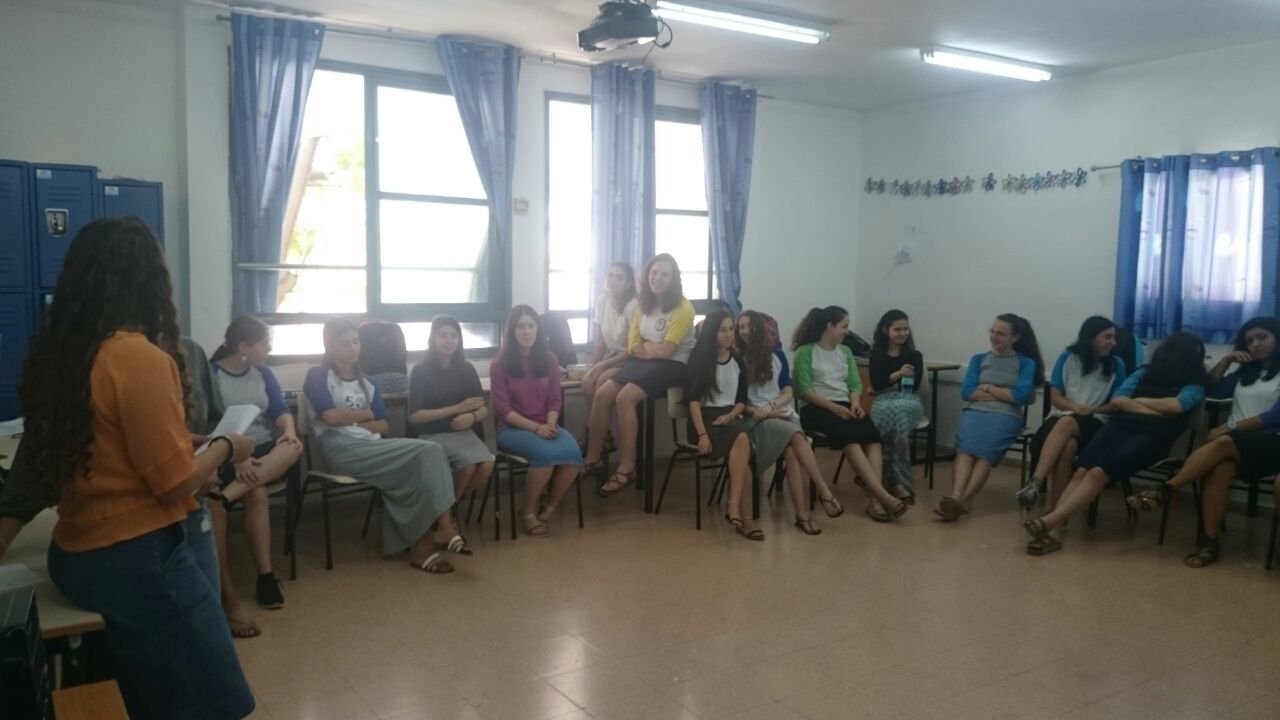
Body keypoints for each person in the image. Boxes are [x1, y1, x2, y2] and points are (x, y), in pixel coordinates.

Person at [19, 217, 257, 719]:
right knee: (215, 701)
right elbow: (173, 484)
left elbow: (107, 446)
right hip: (138, 559)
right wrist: (224, 446)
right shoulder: (138, 357)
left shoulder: (68, 355)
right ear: (148, 280)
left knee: (149, 692)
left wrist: (182, 443)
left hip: (77, 551)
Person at [303, 318, 469, 573]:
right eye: (345, 343)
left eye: (356, 342)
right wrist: (364, 415)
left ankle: (426, 543)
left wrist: (351, 420)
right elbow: (330, 417)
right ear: (330, 346)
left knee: (426, 460)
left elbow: (383, 425)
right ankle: (441, 531)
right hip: (341, 449)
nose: (353, 348)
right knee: (426, 454)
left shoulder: (368, 382)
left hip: (372, 446)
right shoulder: (318, 375)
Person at [1024, 331, 1206, 555]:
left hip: (1154, 436)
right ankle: (1053, 528)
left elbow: (1176, 406)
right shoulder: (1144, 372)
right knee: (1081, 471)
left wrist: (1137, 402)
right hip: (1121, 426)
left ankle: (1050, 523)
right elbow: (1119, 400)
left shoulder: (1195, 384)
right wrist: (1152, 409)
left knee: (1097, 473)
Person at [1133, 317, 1280, 567]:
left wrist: (1229, 428)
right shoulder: (1247, 373)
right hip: (1239, 445)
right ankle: (1209, 543)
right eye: (1249, 341)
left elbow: (1275, 417)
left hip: (1272, 443)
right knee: (1218, 470)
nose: (1255, 344)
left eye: (1262, 337)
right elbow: (1212, 389)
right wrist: (1227, 360)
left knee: (1222, 442)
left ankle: (1166, 489)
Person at [208, 316, 302, 634]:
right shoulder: (212, 375)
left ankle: (226, 496)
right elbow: (207, 426)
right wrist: (237, 457)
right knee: (256, 493)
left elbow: (280, 410)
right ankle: (263, 578)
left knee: (293, 447)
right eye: (264, 343)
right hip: (225, 453)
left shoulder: (263, 373)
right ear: (244, 347)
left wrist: (288, 431)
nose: (269, 349)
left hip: (261, 451)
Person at [583, 254, 696, 495]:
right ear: (647, 276)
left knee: (624, 398)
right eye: (654, 273)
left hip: (674, 366)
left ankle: (627, 467)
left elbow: (667, 352)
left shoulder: (684, 307)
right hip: (645, 362)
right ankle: (593, 458)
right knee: (602, 394)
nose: (657, 278)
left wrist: (648, 348)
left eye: (664, 274)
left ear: (674, 278)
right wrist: (650, 348)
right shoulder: (643, 304)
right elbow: (633, 345)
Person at [792, 306, 908, 522]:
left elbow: (855, 384)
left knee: (873, 438)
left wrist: (855, 403)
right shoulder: (805, 352)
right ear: (829, 326)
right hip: (816, 408)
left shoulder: (845, 352)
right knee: (850, 438)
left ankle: (875, 501)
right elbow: (805, 390)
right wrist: (835, 408)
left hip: (844, 404)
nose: (847, 331)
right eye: (844, 326)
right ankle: (883, 496)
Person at [737, 310, 841, 534]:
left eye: (748, 325)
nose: (744, 330)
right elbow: (740, 404)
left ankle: (802, 516)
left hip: (780, 412)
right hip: (756, 419)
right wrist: (769, 413)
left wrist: (773, 407)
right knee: (794, 434)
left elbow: (788, 390)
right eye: (741, 327)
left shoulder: (777, 355)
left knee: (792, 452)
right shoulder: (738, 359)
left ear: (759, 328)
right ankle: (824, 492)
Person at [938, 314, 1044, 521]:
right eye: (992, 332)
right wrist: (1005, 393)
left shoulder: (1026, 363)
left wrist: (988, 387)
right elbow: (967, 392)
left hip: (1006, 416)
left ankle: (963, 500)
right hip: (975, 412)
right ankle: (956, 496)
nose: (994, 337)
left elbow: (1021, 396)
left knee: (985, 454)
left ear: (1015, 337)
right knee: (965, 450)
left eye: (1001, 334)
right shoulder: (979, 359)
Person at [490, 306, 584, 537]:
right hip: (511, 429)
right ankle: (527, 511)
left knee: (574, 454)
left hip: (545, 424)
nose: (526, 331)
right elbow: (503, 410)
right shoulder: (499, 364)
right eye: (520, 326)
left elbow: (554, 399)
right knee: (546, 456)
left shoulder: (549, 359)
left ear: (538, 330)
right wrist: (536, 428)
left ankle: (549, 508)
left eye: (531, 326)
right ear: (512, 331)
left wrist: (550, 423)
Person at [1015, 316, 1127, 510]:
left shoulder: (1117, 364)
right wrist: (1076, 408)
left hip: (1096, 420)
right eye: (1107, 337)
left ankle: (1035, 482)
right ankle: (1056, 512)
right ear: (1091, 338)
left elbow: (1118, 404)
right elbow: (1055, 397)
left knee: (1067, 424)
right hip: (1061, 415)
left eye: (1113, 337)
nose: (1113, 343)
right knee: (1068, 446)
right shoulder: (1067, 357)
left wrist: (1093, 409)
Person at [684, 311, 762, 540]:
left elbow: (741, 401)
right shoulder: (699, 360)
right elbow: (693, 402)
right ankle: (741, 513)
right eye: (723, 330)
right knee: (742, 436)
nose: (729, 334)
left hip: (730, 417)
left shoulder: (738, 361)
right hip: (704, 420)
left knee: (741, 434)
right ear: (712, 332)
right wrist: (702, 434)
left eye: (731, 329)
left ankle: (735, 507)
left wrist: (730, 416)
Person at [407, 316, 495, 504]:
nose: (449, 340)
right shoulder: (420, 370)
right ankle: (446, 510)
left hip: (462, 433)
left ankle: (448, 505)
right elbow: (414, 417)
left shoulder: (466, 368)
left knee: (487, 466)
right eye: (443, 335)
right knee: (468, 468)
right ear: (433, 338)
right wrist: (456, 409)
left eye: (454, 336)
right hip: (432, 434)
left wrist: (472, 416)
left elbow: (483, 408)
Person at [868, 309, 926, 503]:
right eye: (897, 329)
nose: (903, 333)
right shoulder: (877, 355)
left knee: (897, 412)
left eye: (905, 329)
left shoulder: (915, 355)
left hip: (908, 401)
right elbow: (877, 384)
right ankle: (893, 481)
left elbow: (913, 386)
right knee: (886, 412)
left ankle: (895, 480)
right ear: (886, 330)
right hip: (883, 401)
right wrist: (899, 374)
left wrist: (888, 382)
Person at [580, 262, 638, 428]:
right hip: (612, 356)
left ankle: (596, 432)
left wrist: (603, 365)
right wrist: (593, 366)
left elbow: (633, 349)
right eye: (610, 275)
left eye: (619, 277)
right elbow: (600, 341)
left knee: (601, 382)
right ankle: (601, 433)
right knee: (587, 381)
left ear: (628, 283)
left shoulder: (633, 306)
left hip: (630, 358)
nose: (613, 280)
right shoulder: (602, 301)